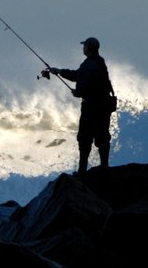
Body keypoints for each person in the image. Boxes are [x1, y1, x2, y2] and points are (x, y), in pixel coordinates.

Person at [47, 37, 116, 174]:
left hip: (91, 107)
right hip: (104, 105)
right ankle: (104, 167)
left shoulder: (88, 64)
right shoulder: (99, 62)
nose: (83, 48)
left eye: (84, 46)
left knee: (85, 138)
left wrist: (77, 92)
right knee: (102, 136)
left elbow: (81, 84)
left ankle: (82, 171)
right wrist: (60, 71)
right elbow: (77, 75)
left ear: (88, 48)